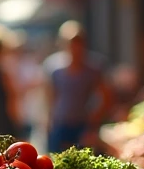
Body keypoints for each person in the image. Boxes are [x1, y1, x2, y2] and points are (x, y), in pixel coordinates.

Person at [43, 20, 113, 152]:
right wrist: (48, 122)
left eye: (78, 43)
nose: (75, 47)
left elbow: (106, 96)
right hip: (60, 123)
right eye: (71, 43)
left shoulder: (94, 67)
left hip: (83, 124)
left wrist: (94, 122)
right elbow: (49, 96)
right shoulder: (53, 67)